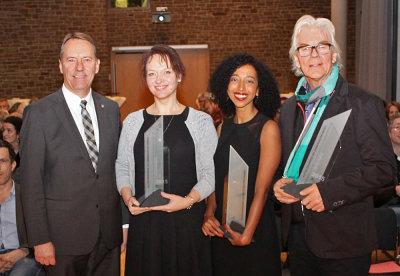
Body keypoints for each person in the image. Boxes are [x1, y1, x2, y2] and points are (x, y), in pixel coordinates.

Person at [273, 15, 396, 276]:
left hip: (344, 242)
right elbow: (287, 164)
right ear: (296, 58)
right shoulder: (289, 110)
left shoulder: (362, 103)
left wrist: (328, 194)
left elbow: (384, 169)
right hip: (298, 239)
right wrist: (279, 184)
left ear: (334, 54)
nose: (314, 54)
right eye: (305, 48)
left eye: (322, 46)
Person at [19, 32, 122, 276]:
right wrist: (39, 240)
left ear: (97, 65)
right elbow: (30, 182)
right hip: (61, 242)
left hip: (108, 238)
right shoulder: (39, 113)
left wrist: (124, 224)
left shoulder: (111, 110)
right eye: (71, 59)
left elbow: (118, 171)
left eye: (86, 59)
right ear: (60, 64)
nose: (79, 67)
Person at [116, 44, 218, 276]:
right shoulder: (132, 122)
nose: (159, 79)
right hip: (145, 224)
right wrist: (127, 196)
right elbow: (122, 165)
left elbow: (210, 174)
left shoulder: (201, 122)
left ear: (179, 75)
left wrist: (187, 201)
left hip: (187, 223)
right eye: (152, 73)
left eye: (167, 72)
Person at [202, 53, 282, 275]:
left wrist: (247, 233)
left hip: (255, 230)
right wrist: (209, 213)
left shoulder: (268, 129)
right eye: (235, 79)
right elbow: (215, 181)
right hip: (222, 230)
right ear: (226, 86)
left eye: (250, 80)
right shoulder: (221, 129)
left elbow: (262, 190)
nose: (241, 86)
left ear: (258, 90)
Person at [0, 140, 45, 276]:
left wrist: (23, 251)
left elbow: (43, 233)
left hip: (25, 256)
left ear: (13, 165)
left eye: (2, 161)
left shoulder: (28, 196)